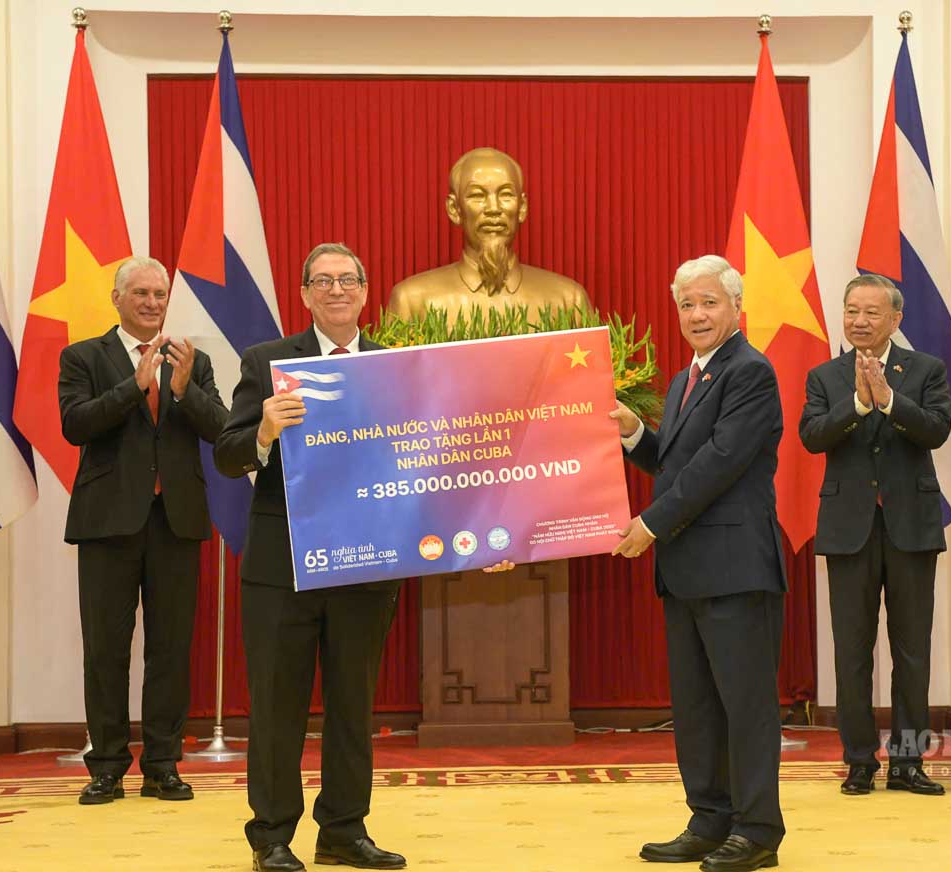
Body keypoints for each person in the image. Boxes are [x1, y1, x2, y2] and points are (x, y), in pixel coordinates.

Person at [214, 243, 405, 872]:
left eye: (348, 279)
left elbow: (420, 463)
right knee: (277, 705)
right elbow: (227, 454)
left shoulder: (395, 368)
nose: (337, 289)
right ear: (304, 295)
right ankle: (271, 836)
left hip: (364, 563)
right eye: (322, 281)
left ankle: (344, 831)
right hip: (282, 566)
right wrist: (264, 429)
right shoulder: (267, 362)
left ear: (366, 289)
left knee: (353, 704)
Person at [610, 255, 787, 872]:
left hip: (736, 567)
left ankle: (757, 830)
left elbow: (719, 464)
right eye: (686, 304)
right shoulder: (689, 378)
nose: (697, 315)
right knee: (696, 706)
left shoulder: (751, 372)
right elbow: (676, 463)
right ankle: (710, 819)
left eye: (709, 302)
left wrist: (650, 524)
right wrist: (635, 432)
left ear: (737, 307)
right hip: (688, 568)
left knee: (746, 705)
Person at [58, 255, 228, 805]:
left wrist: (182, 388)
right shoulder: (83, 355)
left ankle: (162, 764)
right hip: (107, 522)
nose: (153, 303)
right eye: (142, 294)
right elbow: (75, 424)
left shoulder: (189, 360)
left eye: (160, 295)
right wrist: (134, 387)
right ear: (118, 299)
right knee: (105, 649)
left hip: (175, 520)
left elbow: (223, 430)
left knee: (171, 649)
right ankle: (106, 765)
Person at [799, 273, 951, 797]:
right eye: (851, 311)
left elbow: (936, 429)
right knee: (853, 651)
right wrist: (860, 405)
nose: (859, 321)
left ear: (895, 320)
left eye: (870, 312)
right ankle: (859, 760)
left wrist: (888, 399)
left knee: (912, 649)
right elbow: (812, 436)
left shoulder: (926, 369)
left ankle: (908, 762)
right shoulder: (824, 376)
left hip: (911, 527)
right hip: (849, 531)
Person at [387, 146, 590, 325]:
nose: (493, 209)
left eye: (505, 194)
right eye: (477, 195)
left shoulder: (569, 301)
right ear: (454, 209)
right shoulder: (411, 302)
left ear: (522, 207)